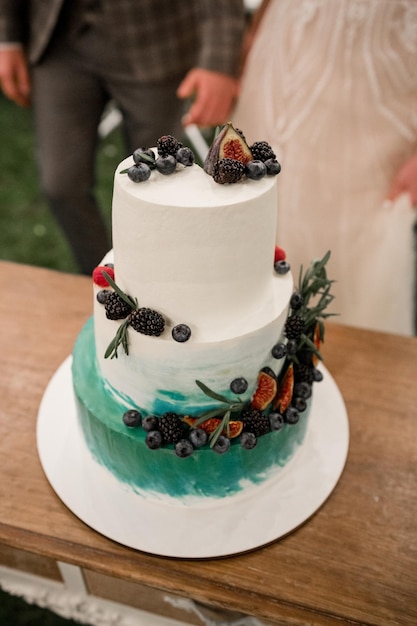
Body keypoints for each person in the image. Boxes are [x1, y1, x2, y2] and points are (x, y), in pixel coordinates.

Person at [0, 0, 246, 274]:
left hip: (156, 41)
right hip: (58, 39)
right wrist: (7, 38)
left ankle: (156, 280)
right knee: (60, 183)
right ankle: (104, 280)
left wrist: (219, 62)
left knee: (158, 187)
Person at [233, 0, 417, 335]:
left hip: (378, 81)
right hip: (282, 48)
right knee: (259, 210)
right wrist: (255, 33)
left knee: (347, 246)